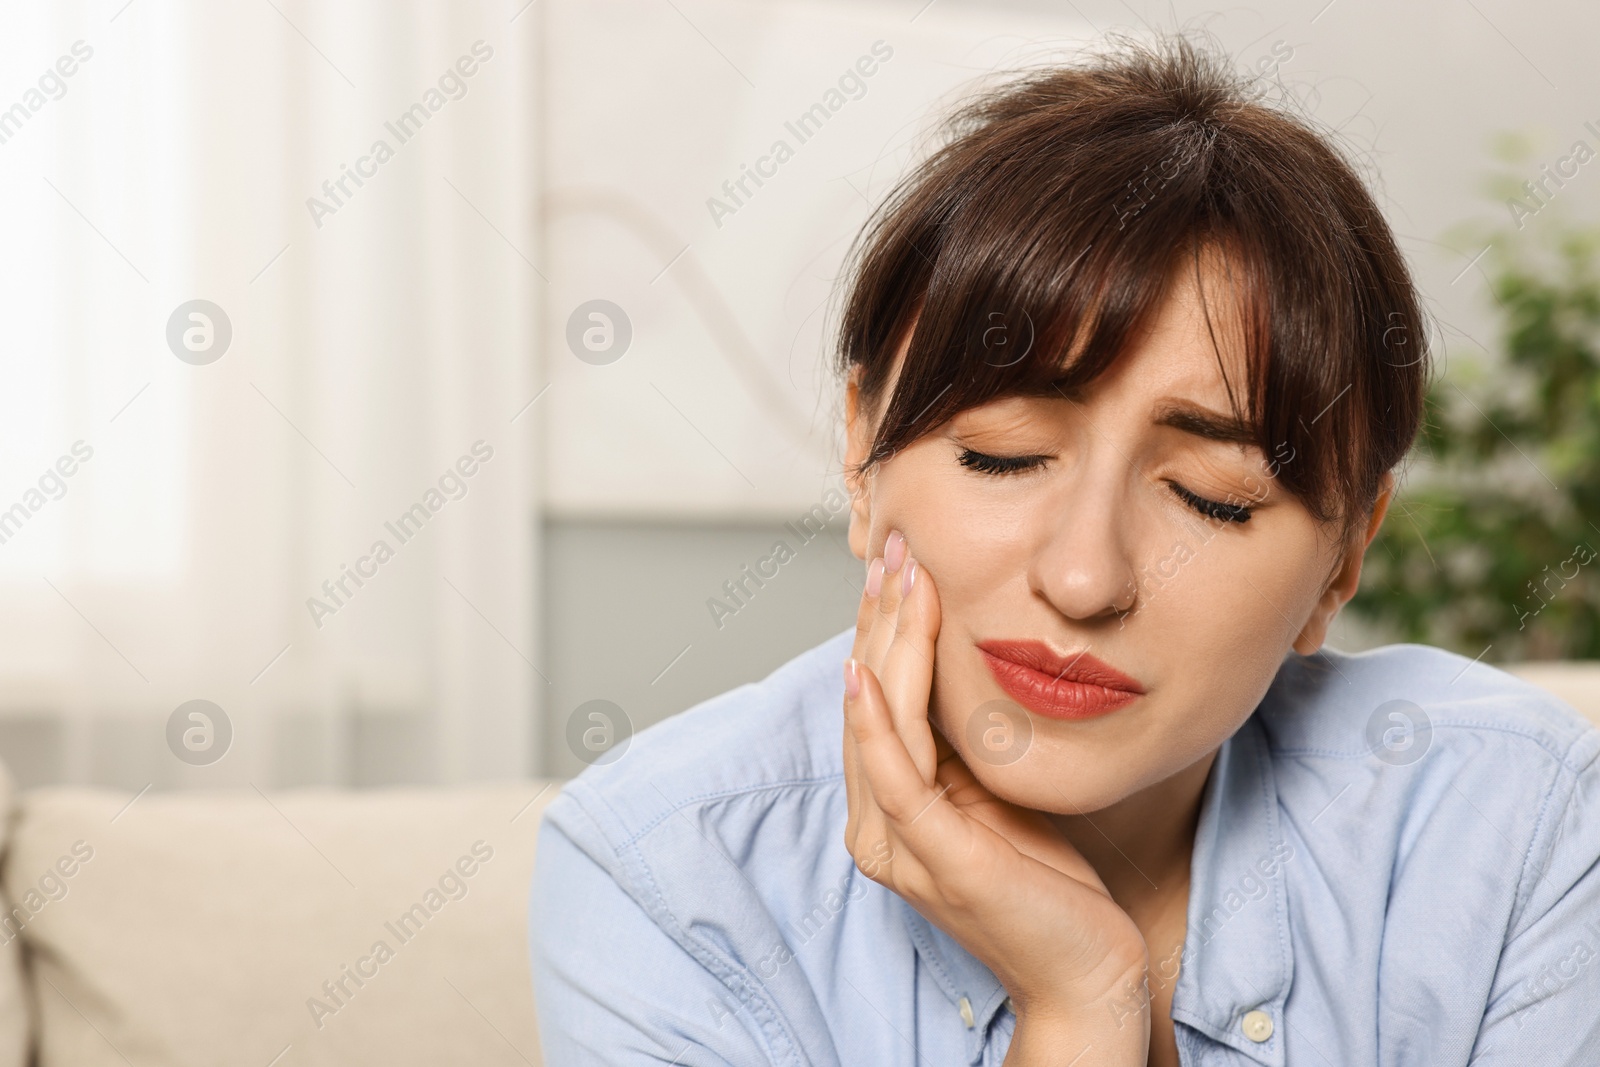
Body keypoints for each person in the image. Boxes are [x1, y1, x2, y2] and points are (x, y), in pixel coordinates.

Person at [530, 34, 1600, 1066]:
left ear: (1341, 560)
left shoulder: (1517, 827)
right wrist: (1081, 1003)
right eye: (1003, 454)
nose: (1083, 578)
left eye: (1211, 499)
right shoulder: (665, 878)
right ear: (860, 454)